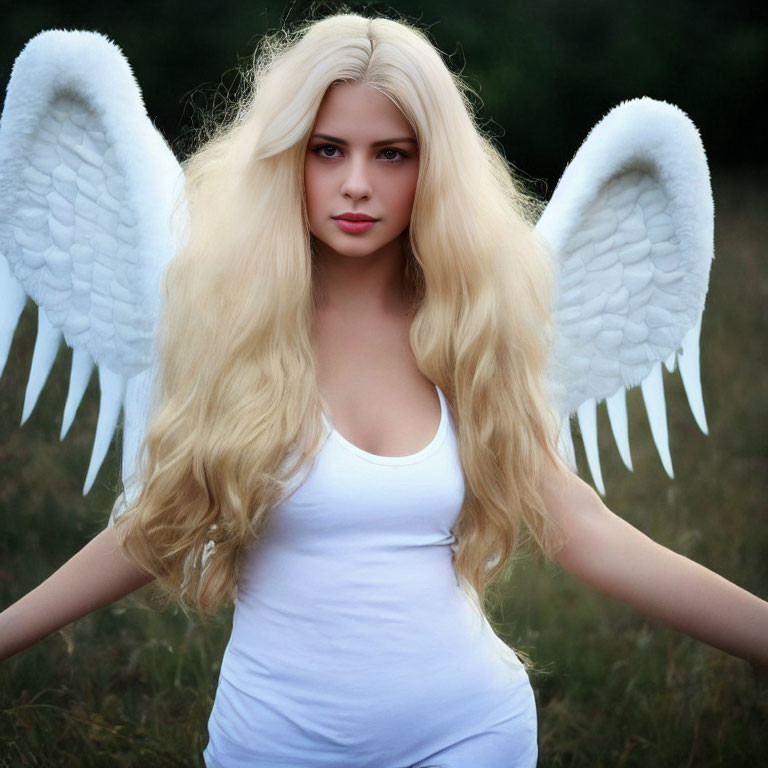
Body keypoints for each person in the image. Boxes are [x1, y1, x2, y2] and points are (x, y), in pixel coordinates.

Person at [1, 13, 766, 768]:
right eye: (328, 150)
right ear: (287, 158)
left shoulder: (468, 328)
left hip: (471, 736)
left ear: (431, 168)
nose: (358, 184)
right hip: (270, 744)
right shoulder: (233, 324)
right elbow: (153, 527)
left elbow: (579, 525)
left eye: (392, 154)